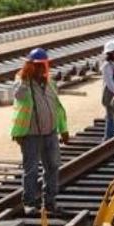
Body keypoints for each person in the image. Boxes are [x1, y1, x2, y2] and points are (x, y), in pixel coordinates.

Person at [12, 48, 69, 215]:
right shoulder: (22, 82)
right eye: (36, 66)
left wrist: (63, 129)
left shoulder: (50, 83)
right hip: (30, 135)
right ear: (29, 66)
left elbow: (57, 108)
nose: (40, 69)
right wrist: (25, 76)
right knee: (31, 170)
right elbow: (19, 96)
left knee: (53, 167)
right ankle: (29, 203)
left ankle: (50, 203)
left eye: (42, 66)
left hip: (50, 133)